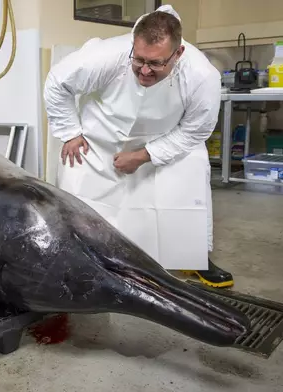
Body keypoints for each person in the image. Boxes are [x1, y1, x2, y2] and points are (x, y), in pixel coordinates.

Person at [43, 5, 233, 288]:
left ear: (178, 54)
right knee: (80, 192)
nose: (144, 71)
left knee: (190, 171)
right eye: (139, 59)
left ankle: (192, 258)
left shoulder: (202, 76)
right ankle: (82, 259)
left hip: (167, 141)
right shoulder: (107, 55)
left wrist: (145, 155)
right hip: (101, 140)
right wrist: (70, 133)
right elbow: (58, 83)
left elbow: (196, 130)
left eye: (156, 64)